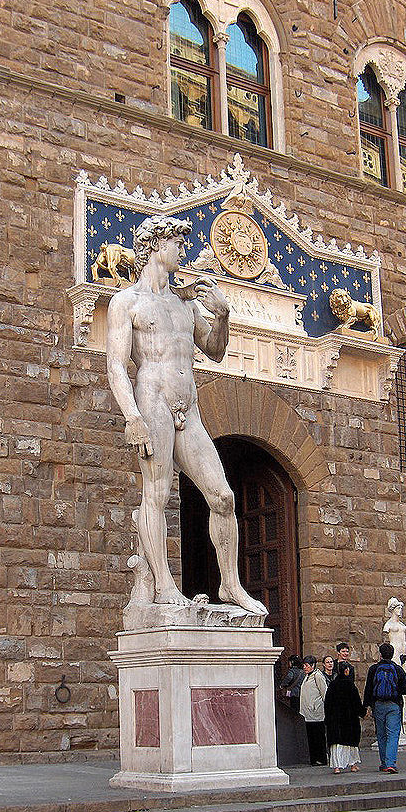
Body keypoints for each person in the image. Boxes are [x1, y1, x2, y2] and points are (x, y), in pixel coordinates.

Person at [106, 214, 266, 615]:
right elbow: (116, 365)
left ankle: (230, 585)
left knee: (223, 496)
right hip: (153, 403)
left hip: (188, 409)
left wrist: (223, 316)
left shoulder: (186, 303)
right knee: (156, 494)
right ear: (157, 246)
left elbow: (215, 350)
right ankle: (163, 585)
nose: (183, 251)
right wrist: (132, 417)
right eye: (178, 244)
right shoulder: (127, 302)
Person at [362, 642, 406, 773]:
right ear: (392, 654)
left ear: (380, 655)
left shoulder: (374, 669)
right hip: (394, 705)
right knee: (393, 734)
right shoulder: (398, 669)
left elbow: (368, 689)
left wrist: (366, 706)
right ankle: (390, 763)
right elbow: (405, 689)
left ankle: (384, 762)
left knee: (381, 734)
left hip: (378, 705)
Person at [325, 662, 365, 773]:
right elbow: (356, 703)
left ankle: (337, 767)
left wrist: (327, 718)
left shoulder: (332, 685)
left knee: (337, 744)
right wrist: (362, 712)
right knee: (351, 743)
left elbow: (327, 703)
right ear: (346, 671)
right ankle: (353, 765)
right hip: (349, 720)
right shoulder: (351, 686)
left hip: (335, 720)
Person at [300, 655, 328, 766]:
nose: (305, 667)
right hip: (308, 713)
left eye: (307, 665)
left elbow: (324, 692)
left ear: (313, 665)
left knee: (318, 736)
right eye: (304, 665)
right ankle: (314, 758)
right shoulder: (307, 676)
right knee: (311, 736)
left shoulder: (318, 676)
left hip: (316, 712)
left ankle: (321, 758)